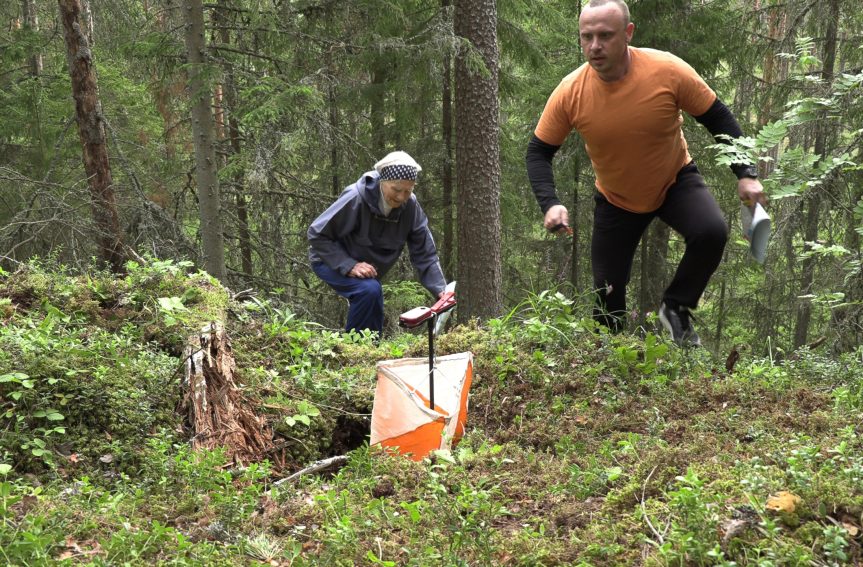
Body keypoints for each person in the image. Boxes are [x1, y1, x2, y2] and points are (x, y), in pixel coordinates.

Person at [526, 0, 766, 346]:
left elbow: (718, 117)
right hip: (616, 198)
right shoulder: (570, 91)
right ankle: (611, 371)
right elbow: (538, 152)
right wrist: (549, 203)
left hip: (674, 181)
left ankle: (676, 307)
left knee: (711, 232)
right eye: (586, 37)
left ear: (628, 33)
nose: (595, 46)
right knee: (607, 301)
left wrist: (746, 172)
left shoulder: (666, 70)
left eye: (605, 36)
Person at [308, 151, 446, 335]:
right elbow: (317, 234)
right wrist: (349, 265)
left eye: (408, 190)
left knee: (372, 291)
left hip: (365, 271)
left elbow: (425, 253)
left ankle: (371, 348)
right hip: (328, 258)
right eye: (396, 189)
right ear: (382, 181)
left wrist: (441, 291)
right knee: (368, 290)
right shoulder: (355, 197)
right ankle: (355, 350)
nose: (401, 197)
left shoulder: (410, 207)